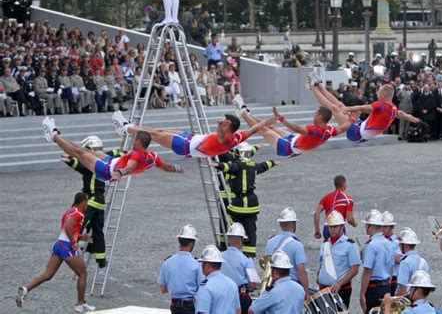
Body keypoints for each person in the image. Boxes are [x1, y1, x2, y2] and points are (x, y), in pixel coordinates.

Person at [16, 192, 95, 312]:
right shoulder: (79, 214)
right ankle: (81, 304)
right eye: (87, 202)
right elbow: (69, 226)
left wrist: (80, 237)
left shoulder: (69, 211)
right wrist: (74, 242)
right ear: (83, 201)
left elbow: (67, 229)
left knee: (48, 275)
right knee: (83, 273)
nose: (87, 204)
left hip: (58, 245)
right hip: (67, 247)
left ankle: (26, 289)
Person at [42, 116, 184, 182]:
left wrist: (119, 173)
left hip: (107, 170)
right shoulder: (153, 157)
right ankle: (57, 134)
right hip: (112, 161)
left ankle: (53, 135)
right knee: (85, 149)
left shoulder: (136, 154)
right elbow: (166, 167)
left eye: (135, 138)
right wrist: (178, 169)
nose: (133, 140)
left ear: (139, 142)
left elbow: (130, 167)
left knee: (79, 153)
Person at [112, 110, 276, 159]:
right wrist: (267, 121)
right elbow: (254, 129)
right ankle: (127, 127)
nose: (221, 120)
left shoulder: (223, 138)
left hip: (185, 145)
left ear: (228, 126)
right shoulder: (237, 137)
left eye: (224, 120)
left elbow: (219, 135)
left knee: (154, 133)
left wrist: (220, 125)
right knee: (159, 131)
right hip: (191, 139)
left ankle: (125, 127)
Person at [62, 136, 122, 268]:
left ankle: (67, 250)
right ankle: (101, 259)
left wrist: (70, 158)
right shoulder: (105, 161)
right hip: (100, 202)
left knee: (78, 224)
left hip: (90, 201)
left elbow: (72, 161)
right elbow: (119, 152)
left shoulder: (89, 165)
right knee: (98, 231)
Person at [309, 73, 419, 143]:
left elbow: (362, 107)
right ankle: (319, 86)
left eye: (378, 93)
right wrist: (415, 119)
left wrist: (347, 110)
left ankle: (313, 87)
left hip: (356, 134)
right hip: (360, 126)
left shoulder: (380, 105)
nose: (377, 94)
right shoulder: (393, 108)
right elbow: (404, 115)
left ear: (384, 95)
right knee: (339, 104)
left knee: (335, 108)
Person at [234, 95, 350, 158]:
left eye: (315, 113)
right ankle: (249, 115)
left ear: (320, 117)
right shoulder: (330, 130)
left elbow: (297, 128)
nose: (313, 114)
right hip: (293, 141)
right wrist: (352, 119)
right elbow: (343, 128)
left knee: (264, 130)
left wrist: (281, 118)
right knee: (272, 128)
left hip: (287, 148)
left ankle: (242, 111)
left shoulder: (314, 130)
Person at [212, 144, 278, 257]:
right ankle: (249, 254)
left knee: (227, 220)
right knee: (250, 228)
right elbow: (257, 163)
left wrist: (217, 164)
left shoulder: (231, 157)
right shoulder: (249, 163)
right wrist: (259, 151)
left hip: (232, 197)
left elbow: (230, 166)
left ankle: (227, 245)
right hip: (251, 202)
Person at [317, 210, 360, 308]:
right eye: (330, 227)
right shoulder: (324, 244)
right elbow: (322, 264)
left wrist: (339, 283)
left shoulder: (350, 245)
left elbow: (355, 269)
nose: (332, 229)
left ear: (342, 226)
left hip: (341, 289)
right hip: (323, 289)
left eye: (335, 226)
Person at [158, 225, 204, 314]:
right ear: (192, 243)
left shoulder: (167, 262)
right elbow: (202, 288)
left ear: (179, 241)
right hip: (190, 307)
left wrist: (175, 286)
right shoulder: (197, 264)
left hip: (175, 307)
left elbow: (162, 289)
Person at [264, 208, 309, 298]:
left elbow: (266, 266)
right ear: (294, 224)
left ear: (280, 224)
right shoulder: (297, 245)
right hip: (291, 287)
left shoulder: (270, 242)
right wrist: (306, 291)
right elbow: (301, 271)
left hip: (273, 286)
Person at [359, 209, 393, 313]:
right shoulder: (388, 243)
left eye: (366, 225)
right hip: (386, 287)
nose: (365, 227)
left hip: (374, 289)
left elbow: (367, 272)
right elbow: (391, 269)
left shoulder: (371, 245)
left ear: (371, 226)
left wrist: (362, 294)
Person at [195, 245, 241, 314]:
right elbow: (238, 311)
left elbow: (202, 312)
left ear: (207, 265)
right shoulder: (232, 284)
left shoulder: (206, 287)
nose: (201, 266)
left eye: (202, 263)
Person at [221, 223, 255, 314]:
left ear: (228, 240)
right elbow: (253, 285)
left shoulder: (219, 257)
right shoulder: (247, 260)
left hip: (222, 296)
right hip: (241, 296)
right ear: (241, 241)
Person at [314, 175, 356, 241]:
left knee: (328, 249)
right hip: (338, 229)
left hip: (327, 229)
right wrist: (354, 224)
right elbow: (349, 219)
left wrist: (317, 230)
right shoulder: (348, 200)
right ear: (344, 184)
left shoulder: (326, 197)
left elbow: (316, 213)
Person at [395, 228, 429, 297]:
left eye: (401, 244)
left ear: (406, 245)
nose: (399, 246)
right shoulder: (423, 261)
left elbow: (402, 288)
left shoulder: (405, 262)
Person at [381, 211, 401, 295]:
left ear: (391, 227)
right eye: (381, 226)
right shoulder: (377, 240)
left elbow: (399, 259)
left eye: (385, 226)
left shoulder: (397, 242)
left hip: (393, 280)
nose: (382, 229)